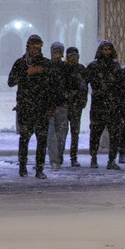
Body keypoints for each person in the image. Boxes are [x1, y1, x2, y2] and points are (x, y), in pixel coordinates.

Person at [8, 34, 58, 179]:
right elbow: (11, 82)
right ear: (28, 46)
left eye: (38, 47)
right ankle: (22, 167)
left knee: (42, 140)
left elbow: (53, 86)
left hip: (42, 107)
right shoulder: (21, 63)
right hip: (25, 107)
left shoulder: (46, 64)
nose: (35, 49)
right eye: (33, 46)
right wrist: (26, 74)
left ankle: (39, 169)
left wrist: (52, 105)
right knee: (25, 138)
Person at [85, 40, 123, 170]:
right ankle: (93, 157)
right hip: (99, 105)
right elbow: (85, 83)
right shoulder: (93, 66)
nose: (107, 52)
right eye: (105, 49)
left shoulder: (115, 66)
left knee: (115, 134)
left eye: (109, 49)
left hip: (113, 106)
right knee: (95, 132)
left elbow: (120, 85)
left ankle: (112, 160)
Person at [46, 42, 73, 171]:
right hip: (49, 106)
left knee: (61, 135)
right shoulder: (46, 67)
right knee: (51, 135)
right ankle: (54, 160)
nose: (57, 54)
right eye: (55, 51)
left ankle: (58, 157)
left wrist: (67, 101)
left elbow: (71, 86)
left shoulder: (66, 68)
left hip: (62, 106)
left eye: (59, 51)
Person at [65, 46, 88, 167]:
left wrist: (81, 102)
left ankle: (73, 157)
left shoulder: (81, 69)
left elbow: (84, 88)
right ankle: (58, 155)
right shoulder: (64, 69)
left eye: (75, 56)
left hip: (76, 106)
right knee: (62, 132)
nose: (73, 59)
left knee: (75, 132)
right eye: (71, 56)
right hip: (64, 106)